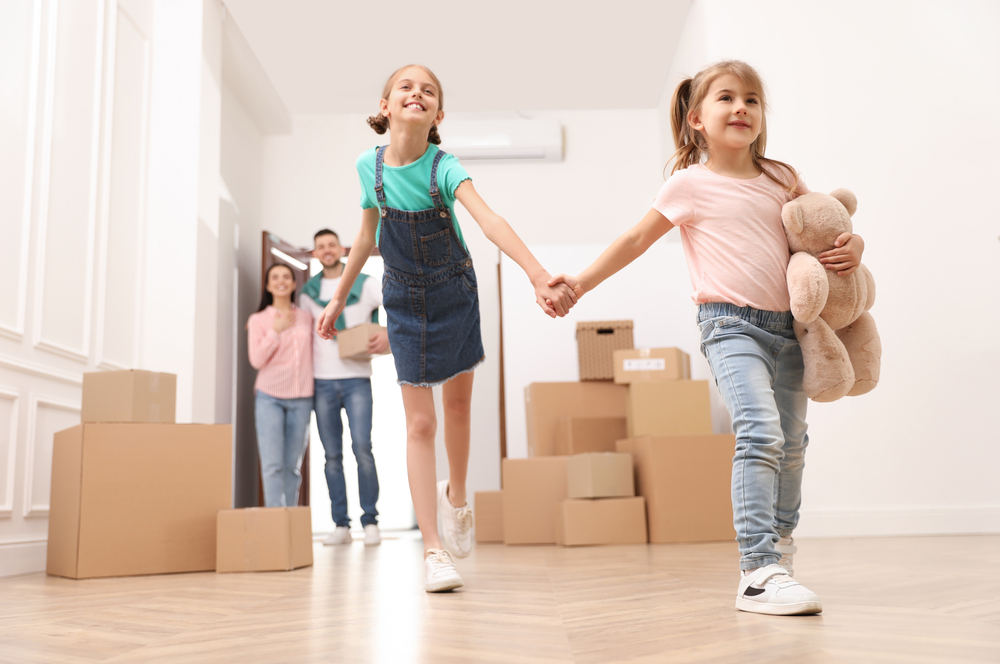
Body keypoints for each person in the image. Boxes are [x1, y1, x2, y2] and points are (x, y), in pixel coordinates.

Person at [549, 60, 865, 616]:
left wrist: (852, 248)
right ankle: (756, 569)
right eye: (726, 98)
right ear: (697, 118)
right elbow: (633, 240)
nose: (741, 107)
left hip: (790, 330)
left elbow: (821, 227)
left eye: (752, 99)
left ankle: (781, 556)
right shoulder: (689, 184)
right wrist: (580, 282)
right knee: (761, 432)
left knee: (792, 447)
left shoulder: (783, 178)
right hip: (729, 325)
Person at [317, 64, 577, 592]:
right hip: (403, 301)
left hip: (454, 292)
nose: (417, 93)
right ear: (386, 106)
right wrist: (338, 297)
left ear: (438, 114)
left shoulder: (445, 165)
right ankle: (433, 550)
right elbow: (365, 239)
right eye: (405, 87)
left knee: (458, 407)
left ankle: (456, 495)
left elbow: (490, 221)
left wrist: (537, 275)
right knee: (419, 424)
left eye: (428, 90)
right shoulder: (369, 167)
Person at [301, 228, 388, 547]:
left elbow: (396, 305)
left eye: (331, 245)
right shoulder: (307, 293)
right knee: (331, 456)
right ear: (314, 254)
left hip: (357, 380)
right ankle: (340, 524)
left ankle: (371, 522)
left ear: (343, 249)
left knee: (363, 449)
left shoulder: (365, 284)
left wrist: (387, 334)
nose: (326, 250)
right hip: (322, 382)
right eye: (320, 246)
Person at [248, 262, 315, 508]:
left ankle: (291, 524)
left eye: (286, 277)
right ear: (267, 285)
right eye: (274, 277)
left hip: (302, 397)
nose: (281, 281)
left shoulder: (307, 318)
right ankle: (275, 524)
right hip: (270, 397)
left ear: (294, 283)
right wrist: (274, 331)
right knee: (273, 465)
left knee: (292, 467)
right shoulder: (258, 320)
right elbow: (256, 360)